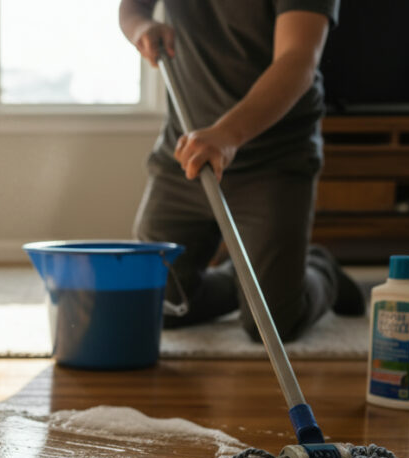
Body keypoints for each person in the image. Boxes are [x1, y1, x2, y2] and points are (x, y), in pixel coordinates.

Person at [119, 0, 364, 342]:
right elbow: (133, 6)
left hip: (273, 159)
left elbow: (298, 60)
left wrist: (227, 135)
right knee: (158, 304)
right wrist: (141, 26)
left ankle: (321, 270)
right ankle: (248, 275)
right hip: (186, 153)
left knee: (273, 324)